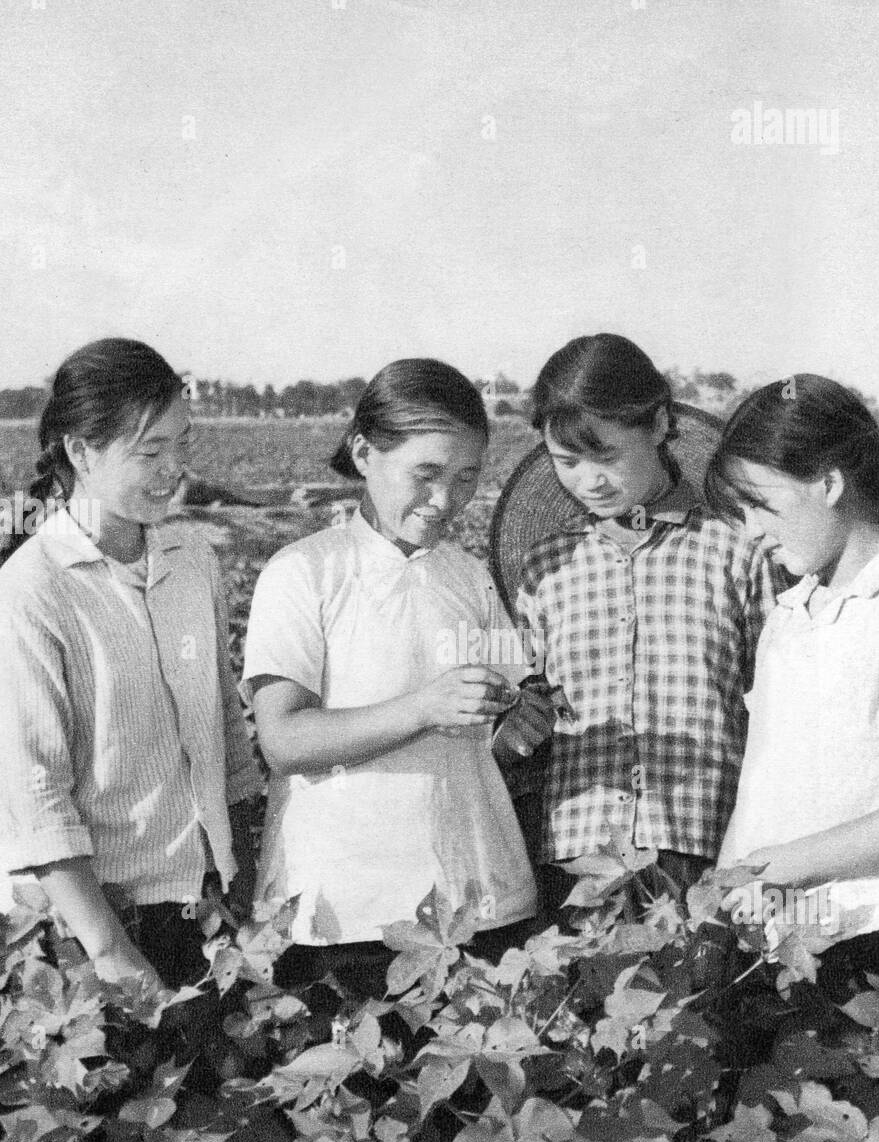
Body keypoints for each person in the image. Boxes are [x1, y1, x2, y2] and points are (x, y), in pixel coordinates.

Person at [242, 358, 550, 982]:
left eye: (465, 478)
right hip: (345, 910)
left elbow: (500, 736)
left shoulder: (468, 576)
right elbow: (282, 741)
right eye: (426, 474)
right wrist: (422, 707)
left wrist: (520, 722)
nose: (445, 501)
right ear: (363, 453)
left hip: (476, 897)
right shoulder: (304, 573)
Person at [0, 338, 261, 994]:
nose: (175, 469)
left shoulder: (192, 558)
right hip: (96, 925)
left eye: (183, 444)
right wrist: (111, 954)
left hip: (206, 907)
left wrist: (245, 875)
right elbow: (33, 794)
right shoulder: (33, 589)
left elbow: (227, 729)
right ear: (81, 452)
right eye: (151, 451)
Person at [707, 375, 879, 938]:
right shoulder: (790, 615)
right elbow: (759, 786)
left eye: (759, 504)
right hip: (789, 936)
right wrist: (723, 892)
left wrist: (781, 866)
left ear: (828, 483)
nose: (750, 533)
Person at [516, 334, 779, 913]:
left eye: (607, 455)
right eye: (567, 462)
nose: (590, 480)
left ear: (658, 424)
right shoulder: (546, 570)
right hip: (577, 856)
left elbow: (780, 710)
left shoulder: (737, 551)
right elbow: (525, 719)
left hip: (706, 849)